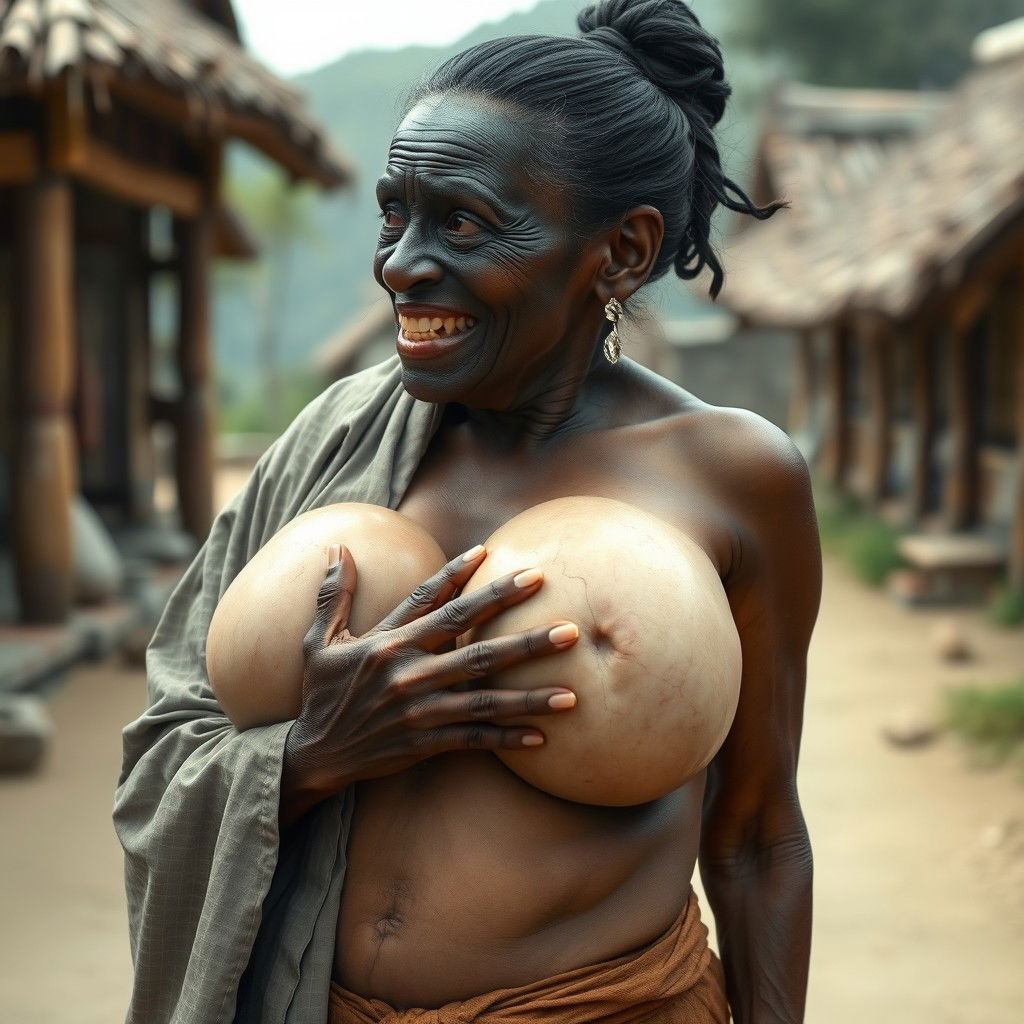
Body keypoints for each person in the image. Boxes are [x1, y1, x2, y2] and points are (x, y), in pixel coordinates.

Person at [114, 1, 821, 1022]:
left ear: (620, 253)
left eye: (463, 221)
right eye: (393, 212)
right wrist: (310, 754)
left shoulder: (730, 478)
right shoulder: (339, 444)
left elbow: (757, 834)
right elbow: (166, 740)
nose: (400, 263)